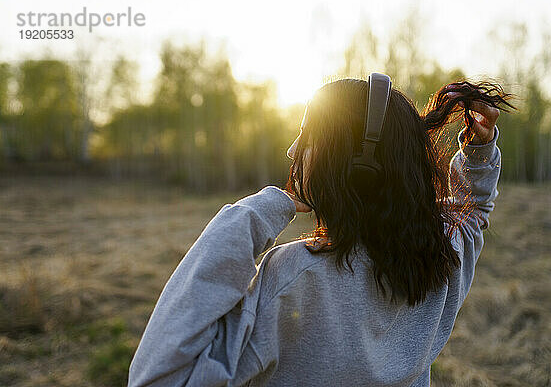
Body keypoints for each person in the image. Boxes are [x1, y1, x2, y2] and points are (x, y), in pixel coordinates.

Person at [128, 78, 514, 386]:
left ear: (355, 165)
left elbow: (162, 377)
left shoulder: (293, 277)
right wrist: (479, 153)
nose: (293, 151)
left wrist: (252, 214)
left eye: (307, 136)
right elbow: (475, 210)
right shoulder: (442, 258)